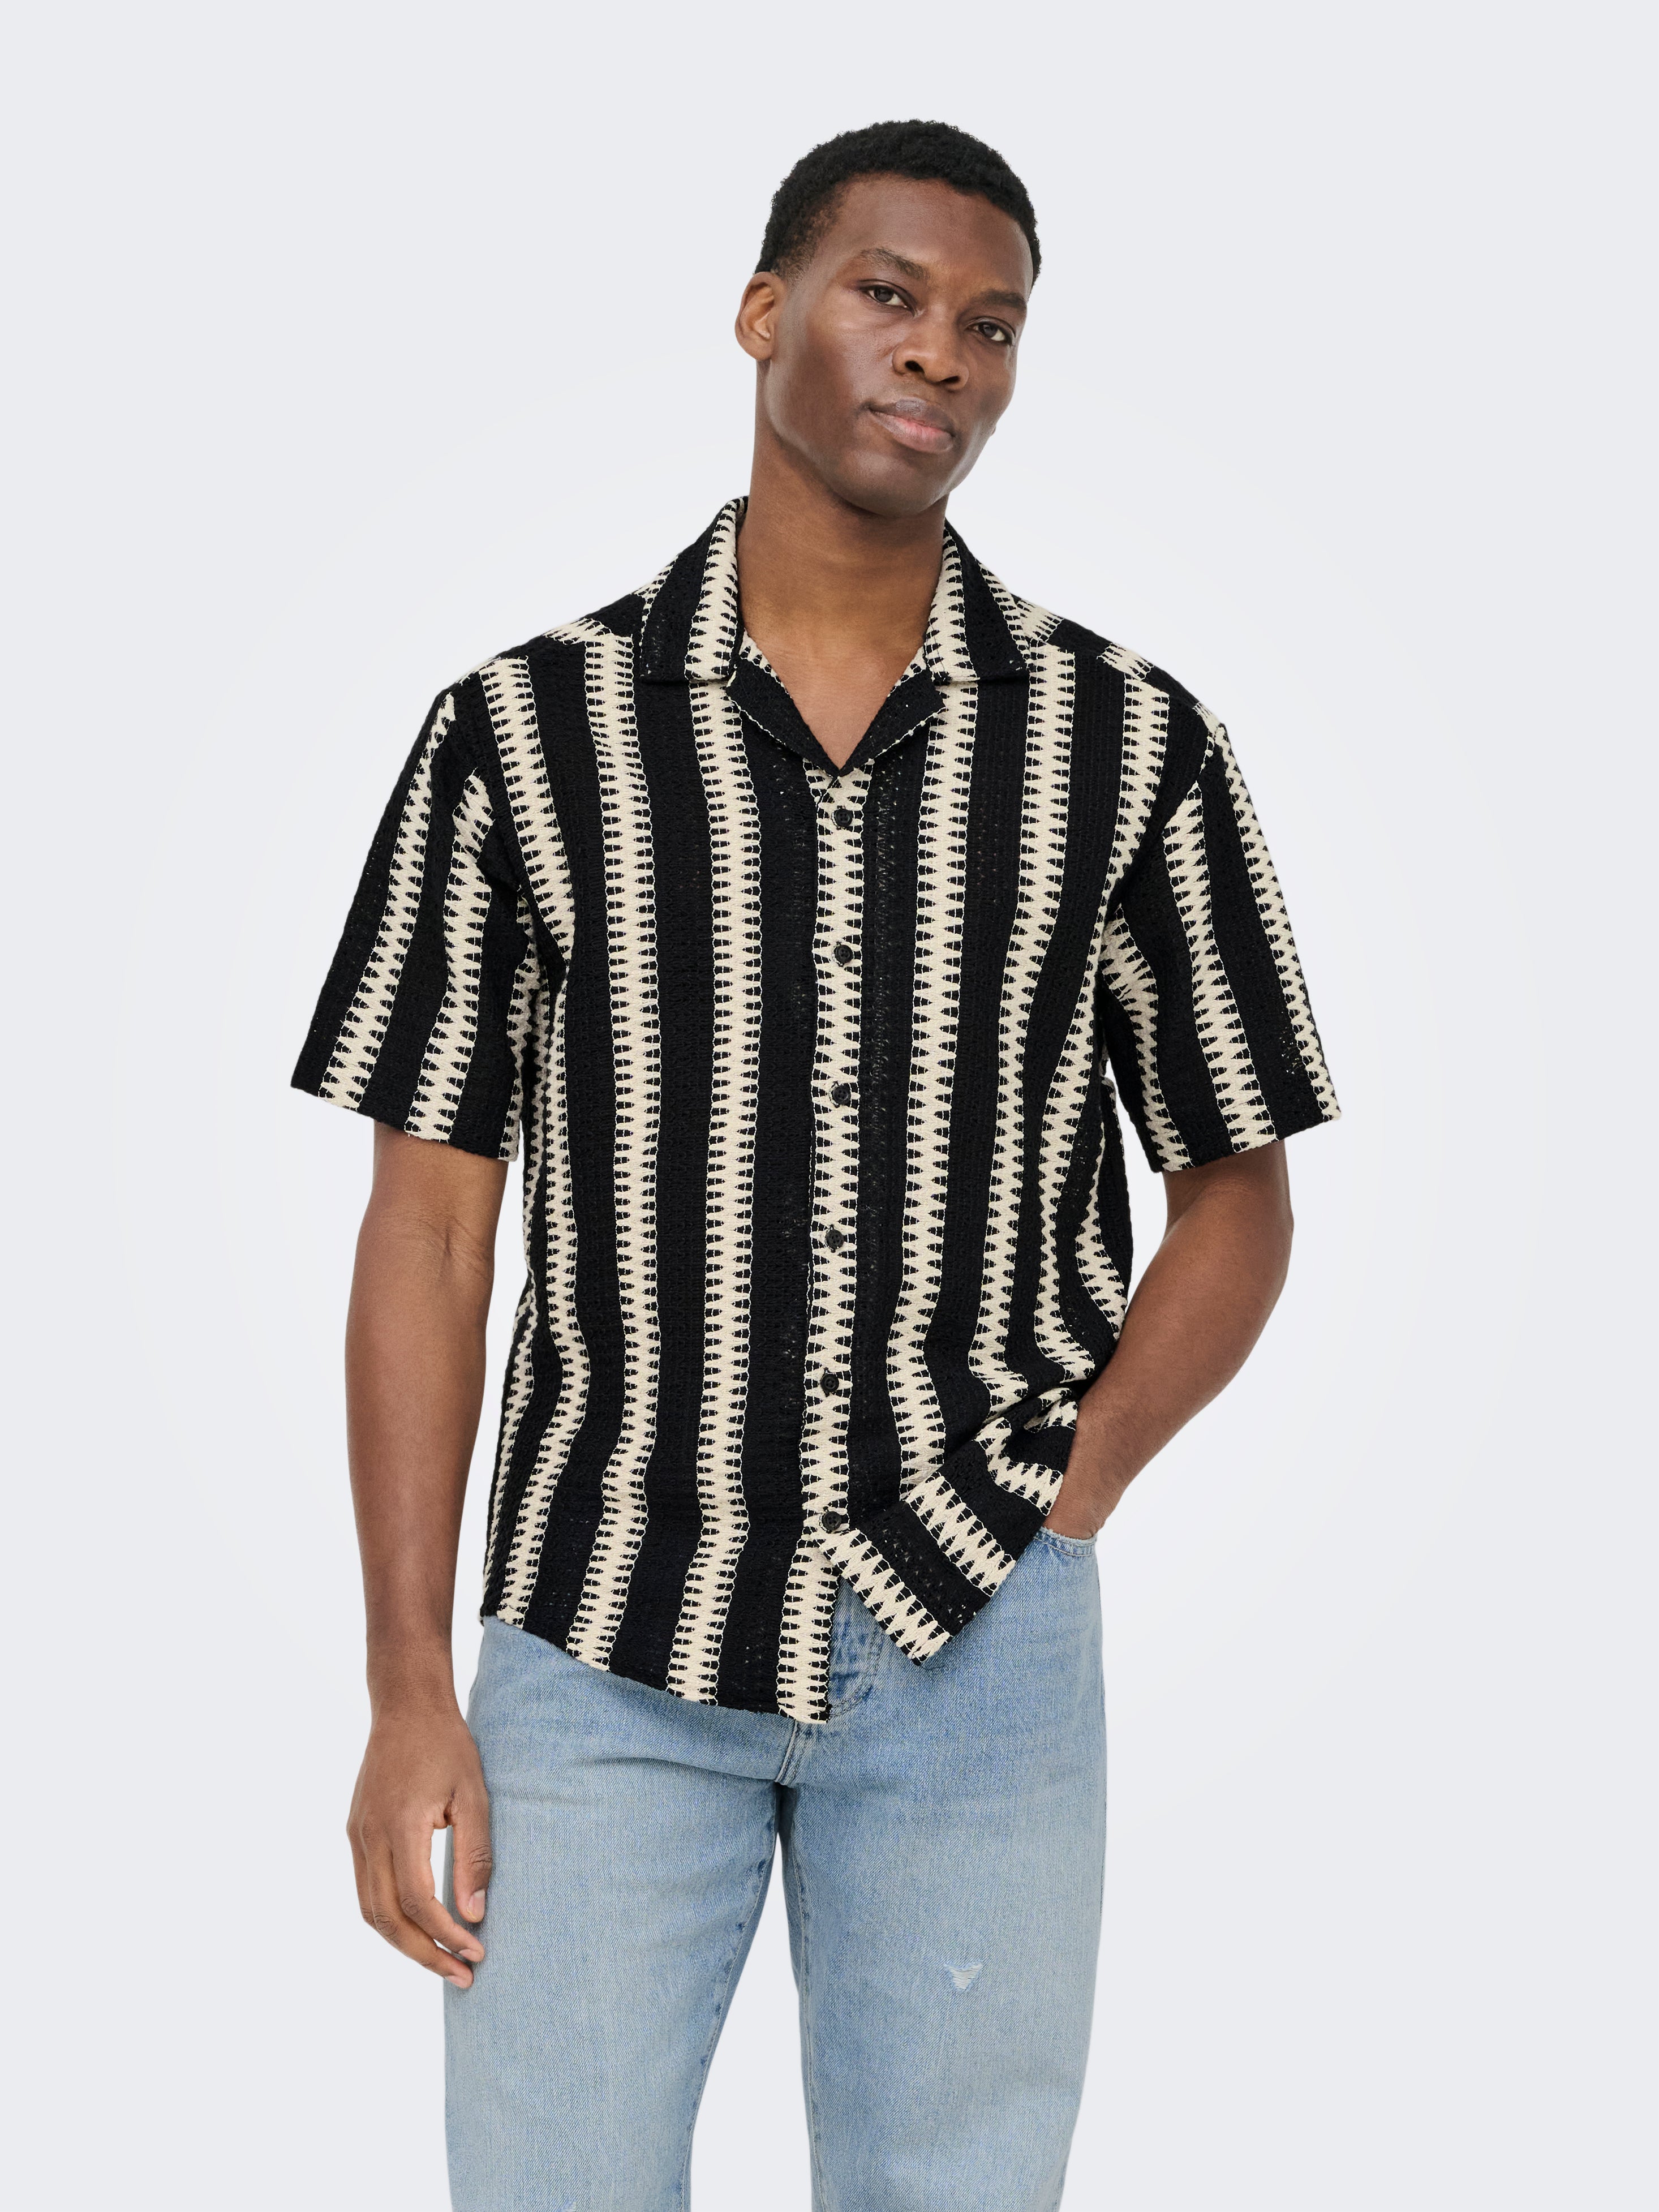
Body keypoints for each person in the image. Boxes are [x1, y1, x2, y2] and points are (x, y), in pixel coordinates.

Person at [294, 117, 1339, 2212]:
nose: (941, 352)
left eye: (992, 325)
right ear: (763, 312)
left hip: (976, 1636)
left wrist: (1071, 1491)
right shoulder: (522, 735)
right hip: (602, 1634)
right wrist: (410, 1683)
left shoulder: (1130, 744)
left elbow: (1237, 1188)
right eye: (889, 294)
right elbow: (429, 1231)